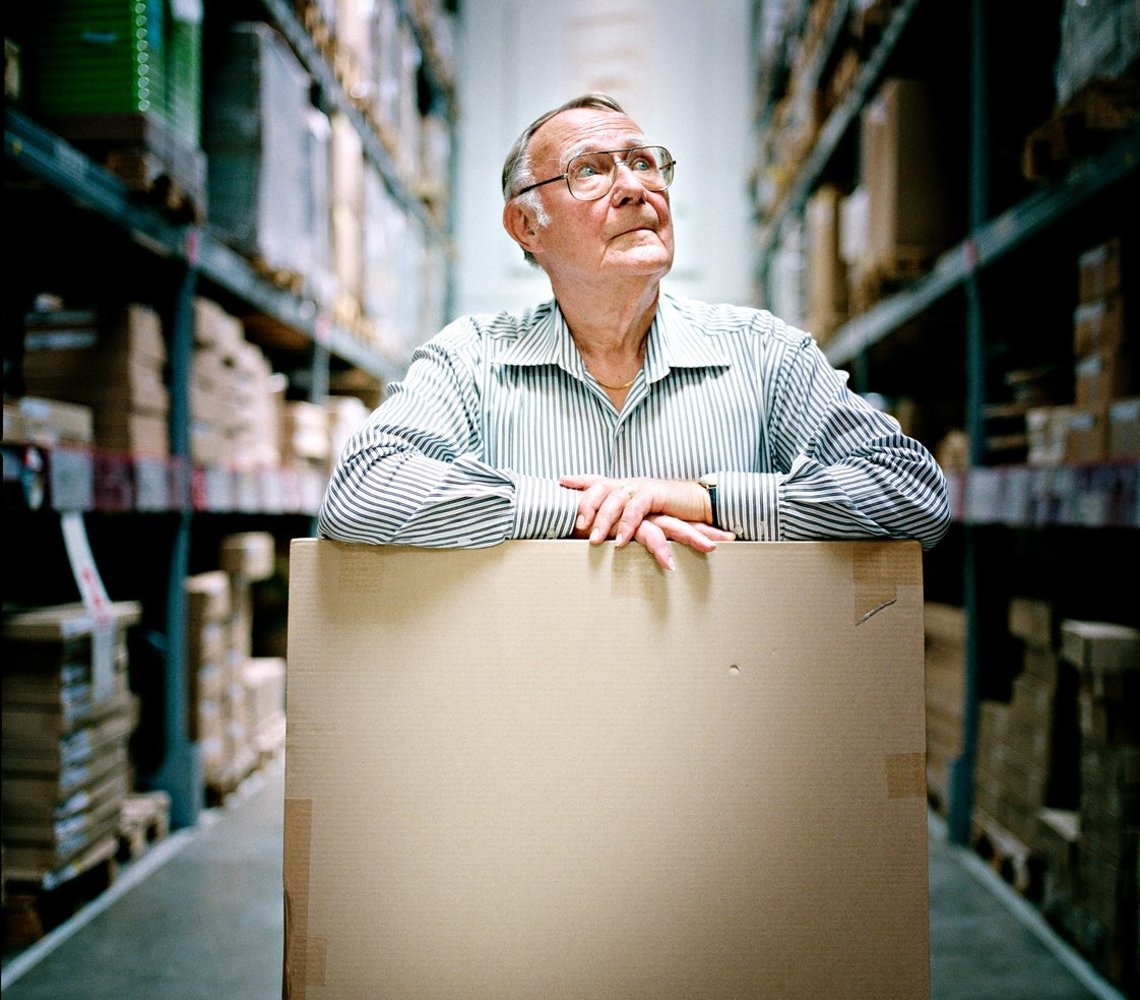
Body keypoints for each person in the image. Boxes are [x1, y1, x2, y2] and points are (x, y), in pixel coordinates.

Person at [318, 93, 951, 570]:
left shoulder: (764, 352)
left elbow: (914, 494)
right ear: (526, 227)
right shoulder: (470, 360)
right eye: (590, 171)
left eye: (646, 163)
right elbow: (360, 494)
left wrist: (704, 499)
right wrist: (573, 509)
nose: (634, 188)